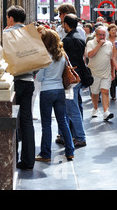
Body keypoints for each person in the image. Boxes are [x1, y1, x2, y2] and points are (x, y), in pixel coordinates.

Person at [35, 29, 75, 162]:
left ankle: (46, 153)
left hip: (47, 91)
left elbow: (39, 78)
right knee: (63, 121)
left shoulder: (44, 56)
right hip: (59, 91)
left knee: (46, 124)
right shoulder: (62, 55)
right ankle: (70, 151)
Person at [4, 6, 36, 170]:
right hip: (29, 80)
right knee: (27, 120)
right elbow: (39, 58)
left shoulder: (6, 33)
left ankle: (12, 156)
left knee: (11, 120)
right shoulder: (32, 34)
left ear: (10, 18)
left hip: (13, 82)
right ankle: (29, 160)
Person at [61, 14, 87, 147]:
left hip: (71, 80)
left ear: (66, 24)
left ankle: (80, 137)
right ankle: (68, 134)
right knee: (73, 106)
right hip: (78, 77)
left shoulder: (68, 40)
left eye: (63, 23)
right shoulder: (80, 38)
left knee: (72, 108)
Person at [86, 25, 117, 120]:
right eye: (100, 35)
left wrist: (113, 71)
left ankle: (106, 112)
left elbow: (111, 58)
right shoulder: (90, 43)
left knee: (105, 91)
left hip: (106, 72)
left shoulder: (109, 44)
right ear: (96, 35)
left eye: (104, 35)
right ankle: (95, 108)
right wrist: (99, 45)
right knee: (95, 93)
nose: (102, 37)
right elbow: (90, 55)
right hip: (94, 72)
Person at [107, 24, 117, 100]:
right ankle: (112, 94)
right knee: (110, 76)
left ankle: (113, 92)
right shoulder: (106, 38)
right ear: (109, 31)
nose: (113, 32)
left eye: (115, 30)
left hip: (116, 60)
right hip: (107, 59)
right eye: (112, 30)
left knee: (115, 78)